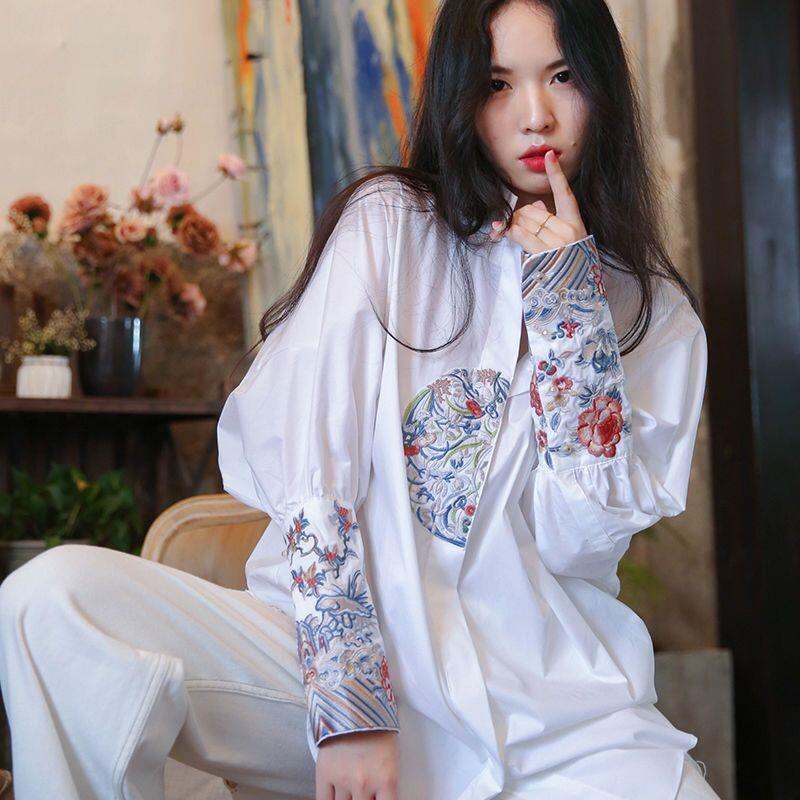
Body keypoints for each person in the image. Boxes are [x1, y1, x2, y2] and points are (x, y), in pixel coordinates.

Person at [0, 1, 722, 798]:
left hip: (543, 706)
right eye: (497, 84)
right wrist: (351, 707)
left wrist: (571, 318)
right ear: (460, 94)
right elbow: (315, 466)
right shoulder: (392, 225)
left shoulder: (655, 316)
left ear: (602, 87)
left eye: (562, 77)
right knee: (50, 601)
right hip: (311, 672)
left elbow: (573, 546)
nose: (535, 116)